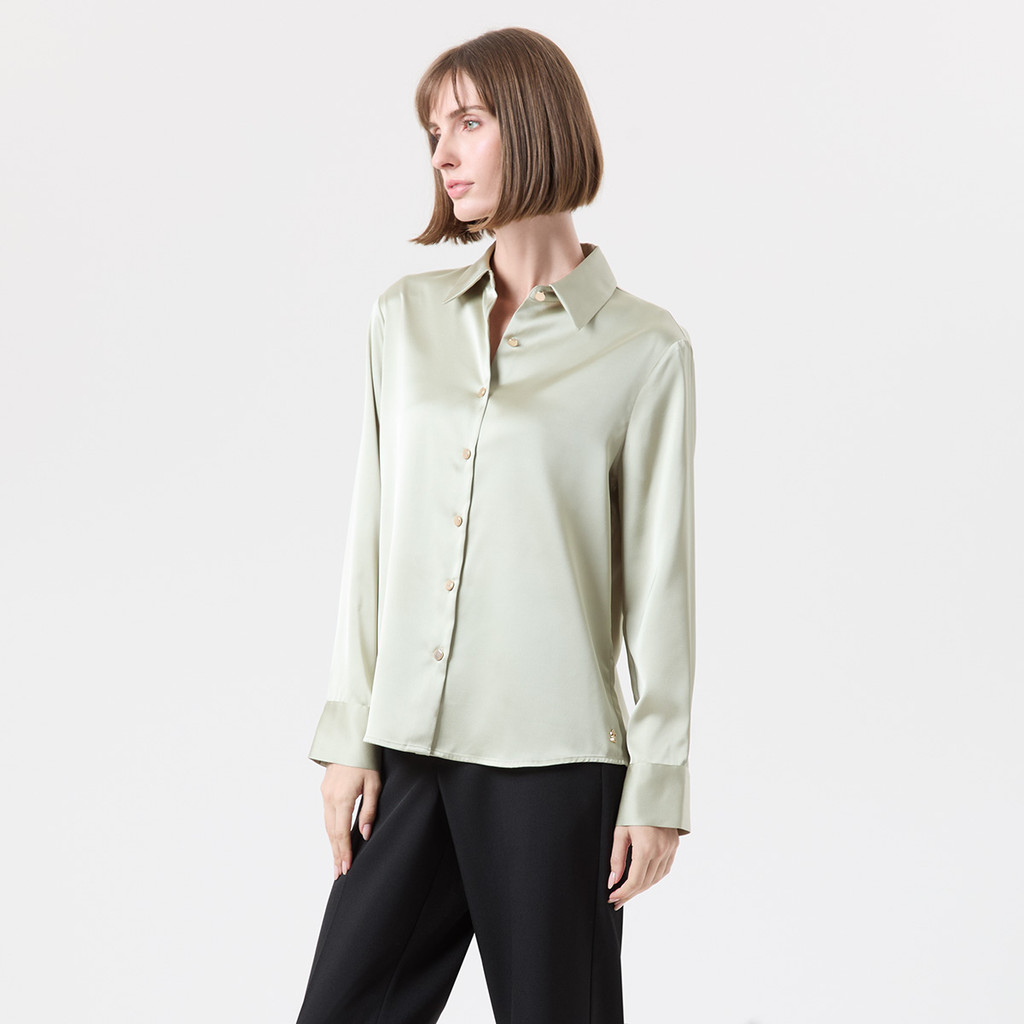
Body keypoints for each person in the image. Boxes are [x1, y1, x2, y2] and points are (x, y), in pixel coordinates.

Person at [295, 26, 696, 1024]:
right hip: (407, 747)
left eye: (468, 123)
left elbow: (658, 583)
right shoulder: (404, 319)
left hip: (555, 762)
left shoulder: (644, 349)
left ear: (536, 123)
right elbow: (371, 537)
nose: (443, 152)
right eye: (433, 131)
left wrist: (657, 784)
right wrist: (348, 732)